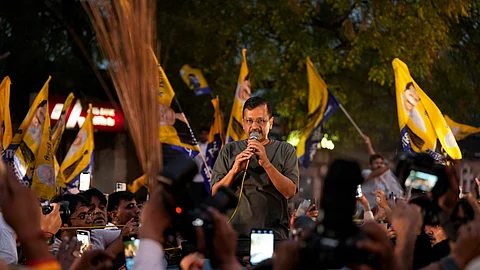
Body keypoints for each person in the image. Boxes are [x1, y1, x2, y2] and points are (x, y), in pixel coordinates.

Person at [211, 97, 299, 239]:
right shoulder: (229, 150)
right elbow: (215, 193)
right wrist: (234, 171)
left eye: (260, 121)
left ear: (270, 123)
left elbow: (290, 192)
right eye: (249, 121)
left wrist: (266, 163)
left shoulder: (285, 150)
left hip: (271, 233)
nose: (254, 126)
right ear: (243, 123)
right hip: (234, 233)